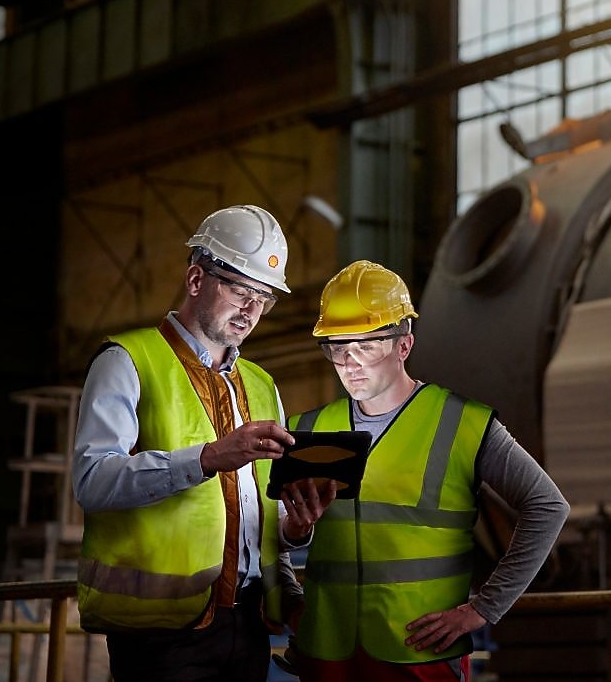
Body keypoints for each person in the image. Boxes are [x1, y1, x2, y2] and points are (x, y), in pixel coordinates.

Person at [279, 260, 569, 682]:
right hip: (327, 656)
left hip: (421, 658)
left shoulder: (462, 425)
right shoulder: (306, 429)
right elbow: (269, 533)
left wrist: (483, 608)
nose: (351, 362)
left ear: (404, 345)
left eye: (368, 345)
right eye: (338, 347)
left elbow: (548, 507)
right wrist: (290, 574)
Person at [72, 204, 327, 682]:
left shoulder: (261, 384)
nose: (251, 309)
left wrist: (295, 528)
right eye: (240, 289)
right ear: (196, 280)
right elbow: (92, 481)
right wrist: (208, 458)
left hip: (249, 622)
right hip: (159, 633)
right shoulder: (127, 361)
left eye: (264, 297)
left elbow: (258, 516)